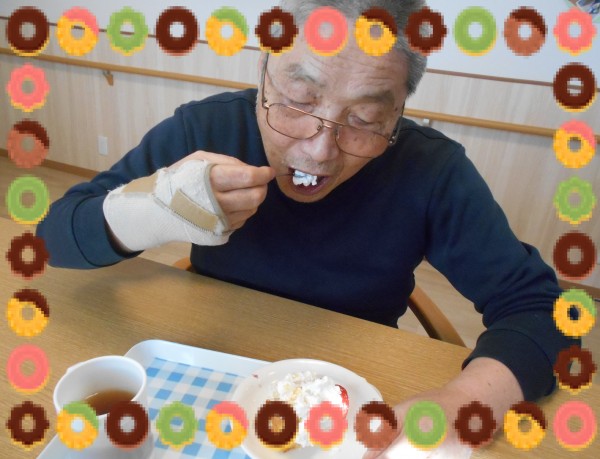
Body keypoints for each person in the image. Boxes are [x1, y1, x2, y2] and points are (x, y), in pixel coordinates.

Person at [38, 0, 575, 456]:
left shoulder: (432, 170)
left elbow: (542, 310)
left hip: (354, 389)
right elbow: (52, 237)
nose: (319, 151)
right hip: (210, 367)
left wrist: (463, 402)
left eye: (364, 121)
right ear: (263, 72)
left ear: (398, 115)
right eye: (298, 100)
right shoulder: (206, 128)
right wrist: (150, 212)